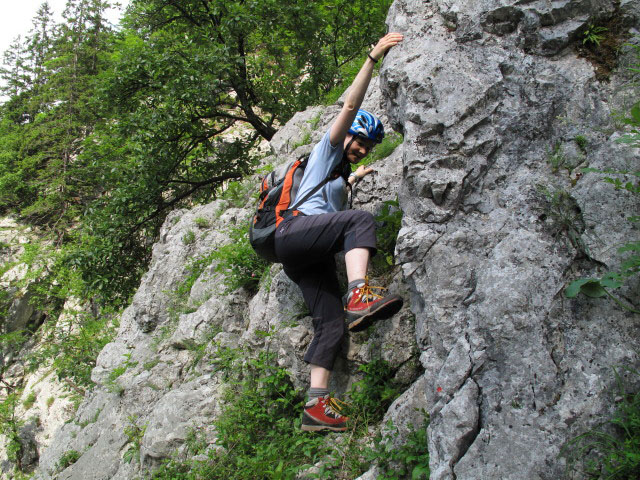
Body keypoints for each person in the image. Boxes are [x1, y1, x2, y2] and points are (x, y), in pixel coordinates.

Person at [274, 32, 404, 432]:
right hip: (293, 232)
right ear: (346, 136)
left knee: (330, 323)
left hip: (303, 252)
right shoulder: (327, 149)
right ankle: (359, 292)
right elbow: (350, 103)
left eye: (368, 147)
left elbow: (329, 200)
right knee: (360, 221)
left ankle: (316, 405)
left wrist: (354, 177)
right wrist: (373, 57)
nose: (362, 148)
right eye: (359, 142)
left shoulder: (337, 172)